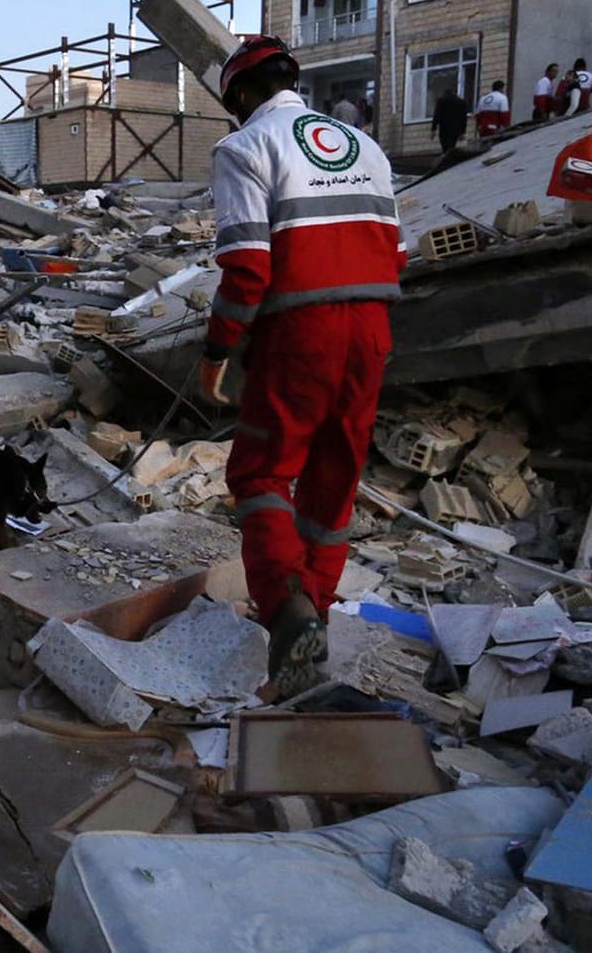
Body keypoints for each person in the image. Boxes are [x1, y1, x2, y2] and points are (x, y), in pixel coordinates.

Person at [196, 35, 402, 697]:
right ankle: (308, 619)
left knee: (260, 472)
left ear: (240, 97)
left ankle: (285, 609)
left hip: (299, 331)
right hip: (372, 327)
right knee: (333, 482)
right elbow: (390, 251)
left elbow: (249, 267)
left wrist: (217, 350)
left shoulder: (244, 148)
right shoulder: (366, 148)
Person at [431, 89, 468, 156]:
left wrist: (433, 129)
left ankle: (447, 158)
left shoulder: (441, 101)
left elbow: (437, 115)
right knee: (452, 146)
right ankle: (449, 156)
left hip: (444, 128)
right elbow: (464, 119)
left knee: (445, 147)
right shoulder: (461, 102)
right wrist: (463, 132)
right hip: (456, 129)